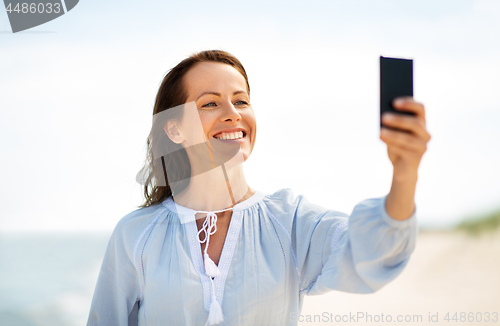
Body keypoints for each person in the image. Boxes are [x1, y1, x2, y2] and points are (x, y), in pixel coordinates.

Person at [86, 50, 431, 326]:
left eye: (241, 100)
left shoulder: (290, 220)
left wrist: (404, 174)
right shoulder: (135, 235)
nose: (232, 113)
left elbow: (369, 256)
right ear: (175, 130)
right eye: (210, 103)